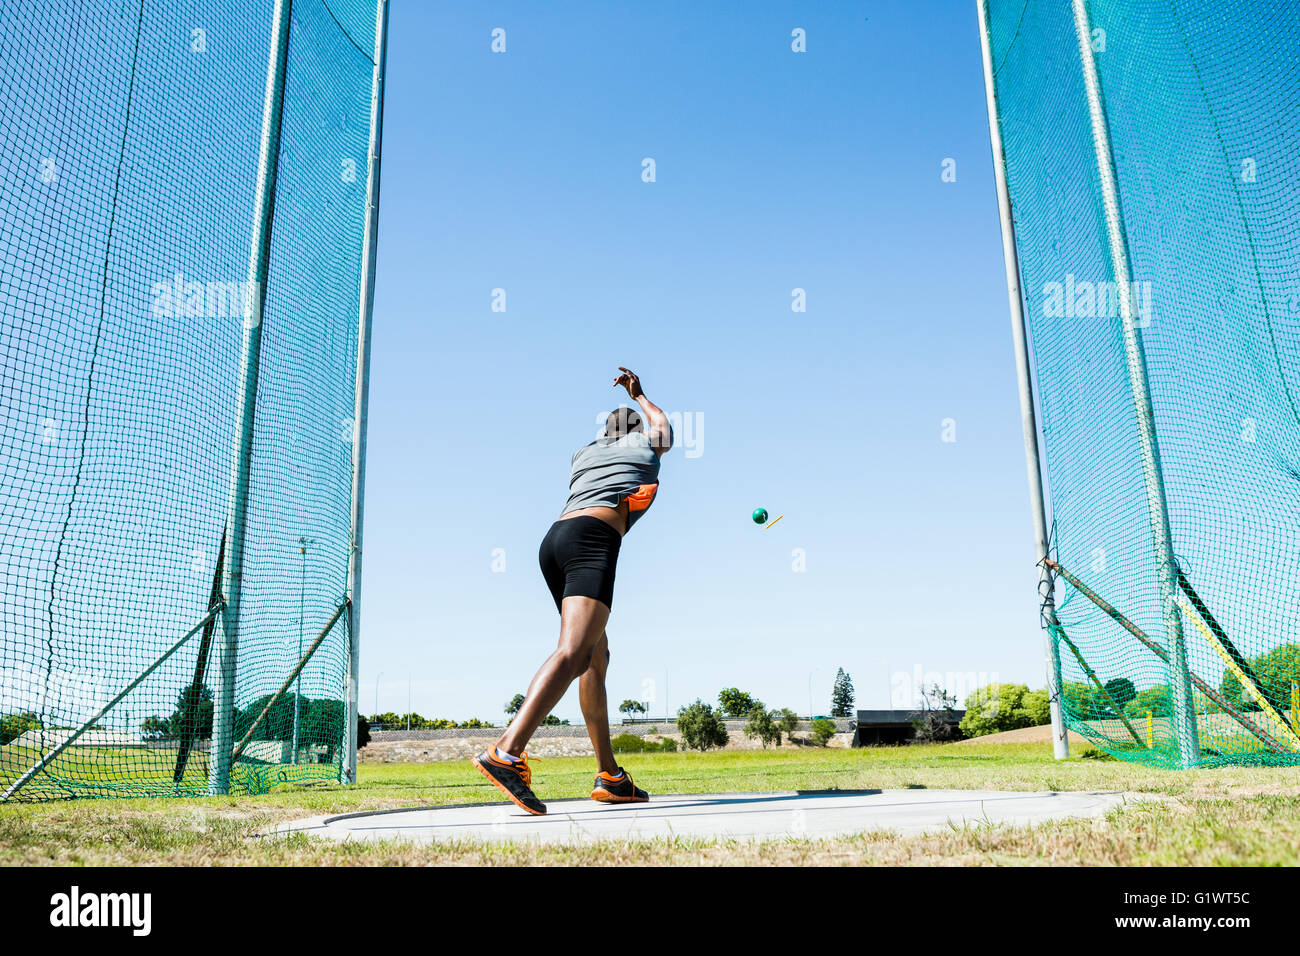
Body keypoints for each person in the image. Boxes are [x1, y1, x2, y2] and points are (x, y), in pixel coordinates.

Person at [473, 367, 673, 814]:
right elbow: (664, 428)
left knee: (594, 657)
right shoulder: (644, 442)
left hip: (554, 542)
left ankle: (611, 776)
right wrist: (642, 397)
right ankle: (506, 753)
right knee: (573, 652)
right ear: (634, 430)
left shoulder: (582, 454)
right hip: (591, 542)